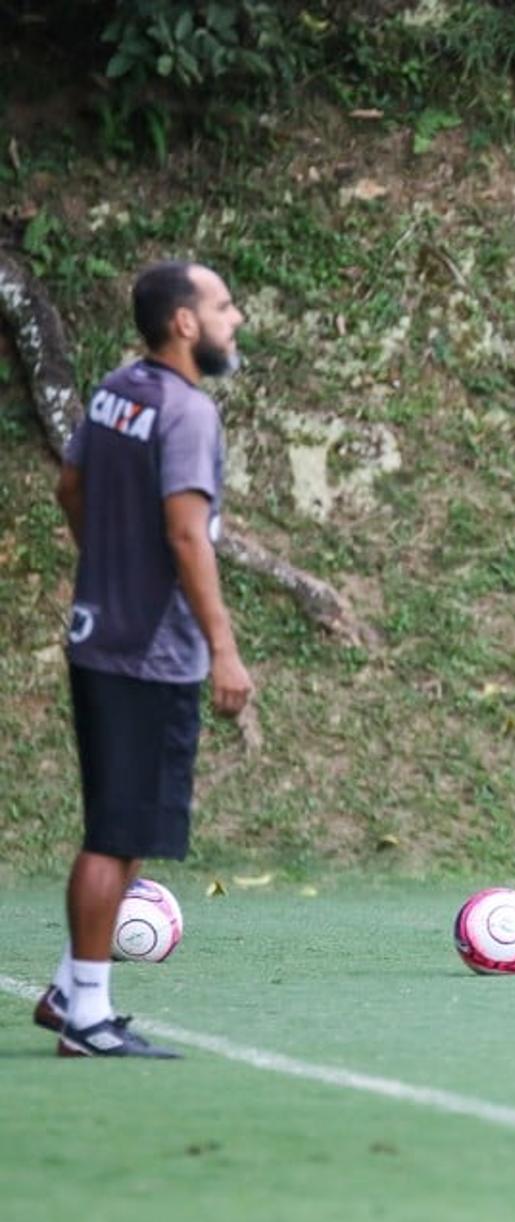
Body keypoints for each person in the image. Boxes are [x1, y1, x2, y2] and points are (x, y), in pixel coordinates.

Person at [35, 260, 253, 1057]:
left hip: (100, 637)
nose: (236, 319)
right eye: (224, 307)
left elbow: (69, 485)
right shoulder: (186, 413)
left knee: (120, 829)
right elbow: (187, 534)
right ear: (185, 323)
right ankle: (87, 1017)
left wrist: (106, 566)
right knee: (115, 835)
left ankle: (67, 991)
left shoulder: (113, 392)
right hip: (149, 654)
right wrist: (224, 651)